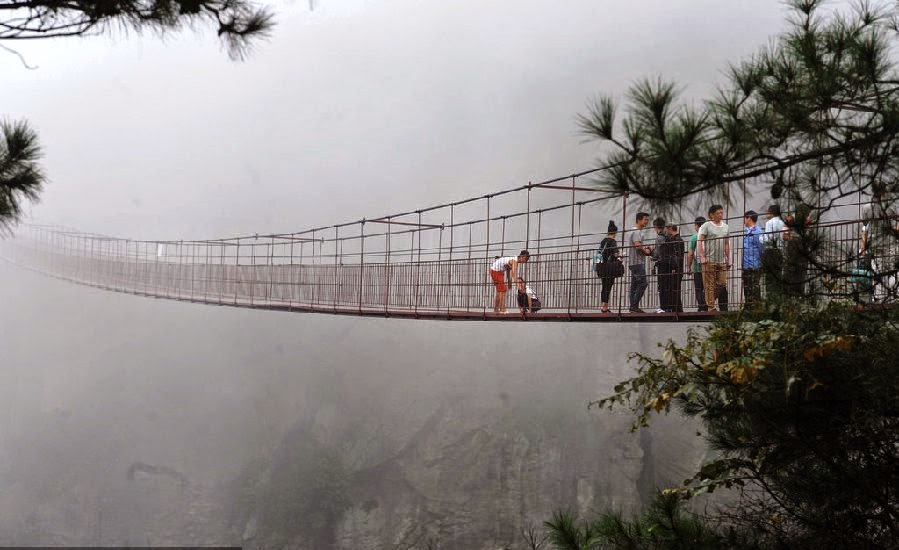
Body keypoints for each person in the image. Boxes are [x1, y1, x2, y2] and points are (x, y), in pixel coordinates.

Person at [698, 204, 731, 312]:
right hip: (709, 259)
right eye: (718, 213)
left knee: (722, 283)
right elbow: (700, 241)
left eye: (722, 212)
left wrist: (728, 258)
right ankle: (711, 307)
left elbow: (726, 243)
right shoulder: (706, 225)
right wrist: (702, 256)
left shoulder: (726, 227)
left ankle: (706, 300)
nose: (721, 214)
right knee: (709, 285)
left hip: (721, 260)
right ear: (712, 214)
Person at [760, 203, 786, 299]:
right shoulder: (782, 223)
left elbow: (768, 238)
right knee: (778, 276)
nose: (767, 214)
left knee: (769, 278)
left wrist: (760, 238)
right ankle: (778, 298)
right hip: (779, 251)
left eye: (768, 212)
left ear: (771, 213)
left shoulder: (769, 223)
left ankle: (771, 299)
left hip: (770, 252)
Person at [628, 212, 652, 312]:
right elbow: (637, 245)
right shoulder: (637, 232)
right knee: (643, 283)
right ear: (639, 220)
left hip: (634, 262)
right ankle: (634, 306)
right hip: (637, 262)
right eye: (645, 219)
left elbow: (638, 245)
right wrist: (646, 251)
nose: (647, 221)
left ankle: (633, 307)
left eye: (647, 219)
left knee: (634, 285)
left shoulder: (635, 231)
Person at [594, 220, 621, 313]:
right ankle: (605, 307)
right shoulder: (612, 241)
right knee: (608, 287)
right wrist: (620, 255)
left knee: (604, 286)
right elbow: (616, 254)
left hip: (602, 267)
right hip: (610, 268)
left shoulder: (603, 241)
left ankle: (603, 306)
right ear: (615, 232)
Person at [685, 216, 708, 311]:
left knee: (699, 288)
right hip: (708, 267)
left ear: (696, 226)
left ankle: (701, 307)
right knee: (707, 288)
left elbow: (690, 254)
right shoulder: (708, 236)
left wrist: (688, 267)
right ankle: (708, 305)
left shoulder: (695, 237)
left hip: (698, 269)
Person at [742, 210, 763, 305]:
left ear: (749, 218)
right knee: (747, 287)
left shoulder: (757, 232)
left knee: (754, 286)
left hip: (754, 265)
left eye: (745, 218)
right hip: (747, 265)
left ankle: (755, 306)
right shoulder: (748, 231)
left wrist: (759, 262)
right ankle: (749, 306)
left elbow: (761, 248)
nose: (744, 220)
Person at [664, 223, 685, 312]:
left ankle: (676, 309)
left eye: (667, 230)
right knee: (676, 289)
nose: (666, 232)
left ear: (670, 229)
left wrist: (674, 267)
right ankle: (677, 308)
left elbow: (676, 256)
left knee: (674, 289)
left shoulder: (675, 240)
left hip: (676, 268)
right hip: (679, 268)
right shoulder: (680, 239)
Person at [651, 217, 668, 313]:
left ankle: (663, 307)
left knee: (661, 287)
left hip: (662, 264)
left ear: (656, 226)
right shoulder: (668, 236)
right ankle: (668, 307)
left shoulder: (659, 237)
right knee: (667, 286)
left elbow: (657, 254)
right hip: (669, 264)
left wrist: (652, 256)